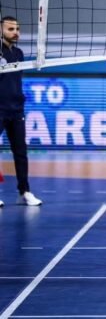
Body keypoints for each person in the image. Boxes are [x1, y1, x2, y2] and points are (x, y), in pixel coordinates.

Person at [0, 16, 42, 207]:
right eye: (10, 29)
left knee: (21, 152)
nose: (15, 32)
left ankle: (24, 192)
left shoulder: (18, 53)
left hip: (16, 109)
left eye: (17, 29)